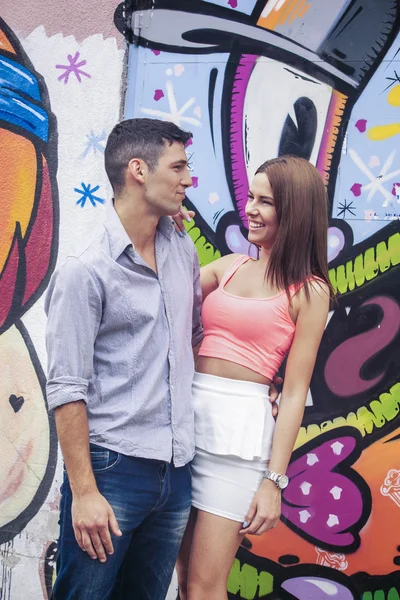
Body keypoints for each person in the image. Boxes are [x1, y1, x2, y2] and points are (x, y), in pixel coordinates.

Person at [45, 118, 204, 600]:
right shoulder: (86, 269)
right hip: (112, 471)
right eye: (178, 167)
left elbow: (192, 337)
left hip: (175, 472)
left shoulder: (182, 251)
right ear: (138, 170)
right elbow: (66, 387)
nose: (188, 179)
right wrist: (85, 491)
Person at [176, 155, 332, 600]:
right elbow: (162, 289)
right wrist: (169, 230)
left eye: (266, 201)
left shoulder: (310, 291)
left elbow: (297, 390)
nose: (251, 208)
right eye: (251, 196)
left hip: (236, 446)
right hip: (185, 429)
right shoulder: (228, 266)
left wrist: (274, 482)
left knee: (205, 587)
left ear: (295, 211)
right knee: (183, 580)